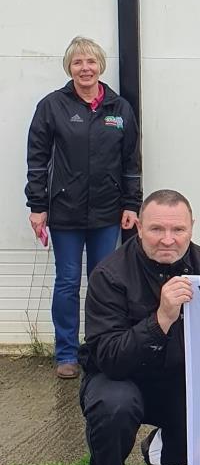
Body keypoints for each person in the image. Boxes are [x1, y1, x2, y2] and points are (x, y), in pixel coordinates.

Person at [78, 190, 200, 465]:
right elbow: (109, 356)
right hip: (118, 376)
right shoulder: (109, 275)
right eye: (157, 229)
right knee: (114, 406)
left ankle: (168, 456)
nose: (168, 239)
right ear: (139, 227)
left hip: (173, 376)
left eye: (178, 230)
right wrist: (161, 319)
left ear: (192, 228)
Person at [25, 36, 142, 380]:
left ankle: (100, 349)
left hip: (108, 213)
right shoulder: (52, 106)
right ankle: (66, 354)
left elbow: (131, 160)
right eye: (77, 62)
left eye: (90, 62)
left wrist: (131, 203)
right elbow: (37, 158)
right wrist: (38, 205)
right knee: (67, 282)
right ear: (69, 68)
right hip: (65, 213)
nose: (85, 68)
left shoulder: (119, 109)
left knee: (103, 282)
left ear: (100, 66)